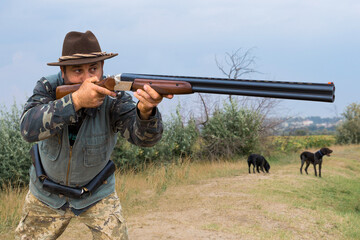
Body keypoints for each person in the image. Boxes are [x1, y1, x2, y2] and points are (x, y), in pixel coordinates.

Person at [15, 30, 173, 239]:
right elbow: (28, 128)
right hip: (46, 194)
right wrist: (75, 101)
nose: (88, 78)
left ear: (102, 68)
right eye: (77, 71)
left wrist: (146, 112)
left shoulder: (114, 95)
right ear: (63, 72)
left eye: (93, 69)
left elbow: (144, 139)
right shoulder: (48, 87)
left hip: (97, 192)